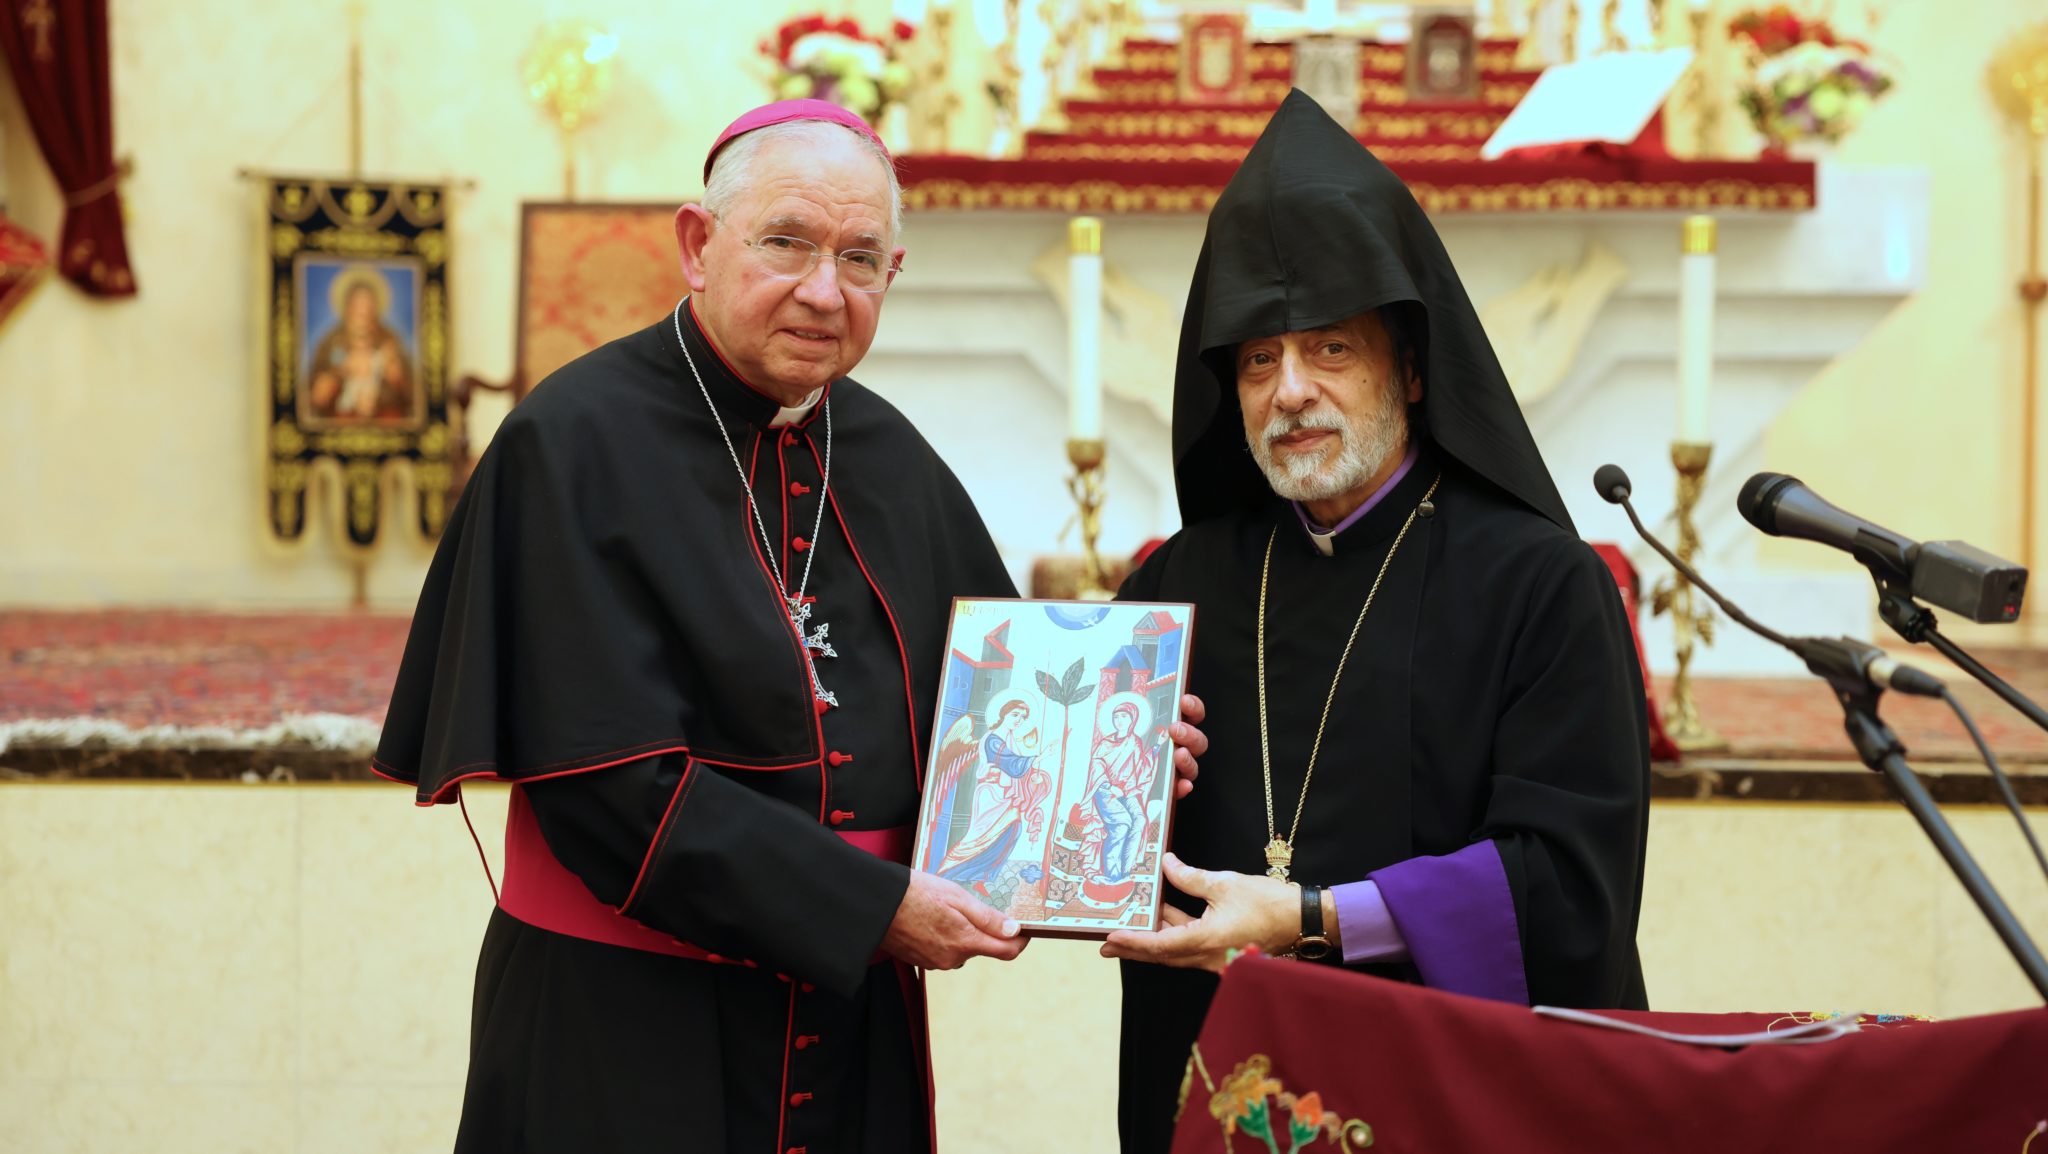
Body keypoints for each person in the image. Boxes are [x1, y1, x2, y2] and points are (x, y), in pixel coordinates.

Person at [372, 99, 1208, 1153]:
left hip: (845, 1028)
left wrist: (1112, 757)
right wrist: (867, 908)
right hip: (623, 1029)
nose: (824, 290)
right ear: (697, 244)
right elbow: (609, 793)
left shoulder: (890, 454)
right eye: (786, 244)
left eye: (861, 259)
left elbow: (994, 716)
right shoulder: (570, 444)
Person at [1099, 91, 1652, 1153]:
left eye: (1328, 351)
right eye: (1256, 360)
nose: (1288, 392)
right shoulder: (1175, 580)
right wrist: (1116, 796)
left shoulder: (1541, 583)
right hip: (1217, 1086)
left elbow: (1567, 883)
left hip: (1450, 1097)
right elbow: (1085, 856)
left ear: (1408, 365)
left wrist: (1313, 918)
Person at [307, 267, 411, 421]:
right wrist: (339, 373)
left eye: (368, 307)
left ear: (375, 309)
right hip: (339, 422)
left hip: (384, 421)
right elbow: (314, 394)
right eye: (358, 307)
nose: (363, 314)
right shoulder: (331, 342)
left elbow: (411, 392)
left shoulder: (390, 339)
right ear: (347, 308)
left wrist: (395, 376)